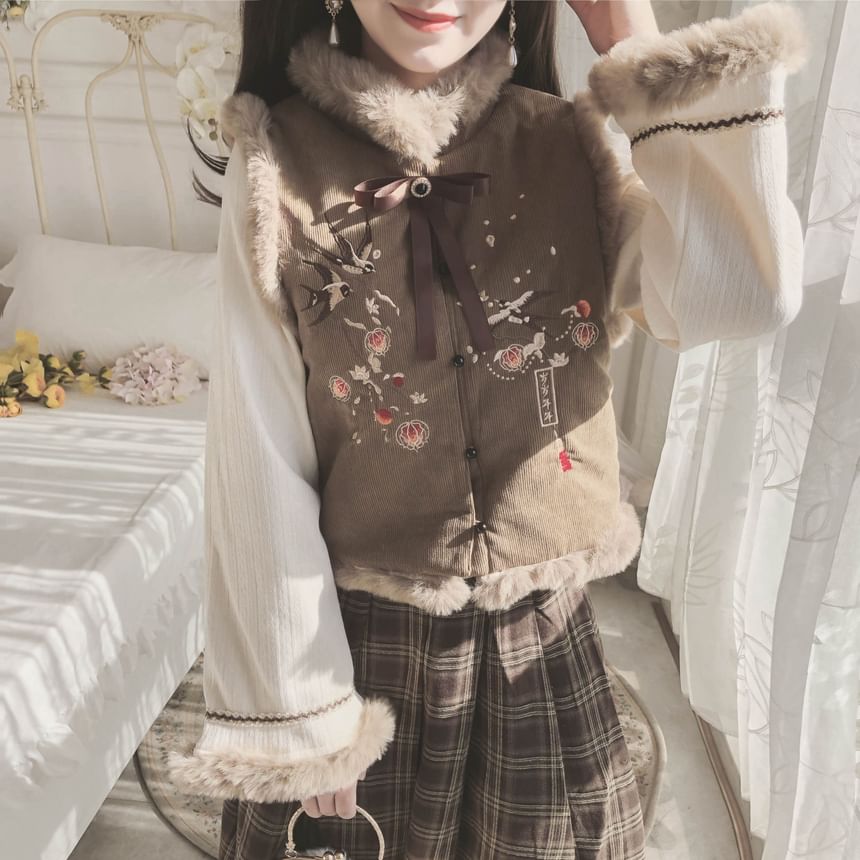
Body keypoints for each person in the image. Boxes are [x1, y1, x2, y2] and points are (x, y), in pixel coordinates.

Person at [168, 1, 807, 858]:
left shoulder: (568, 144)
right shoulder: (274, 161)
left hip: (543, 645)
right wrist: (305, 712)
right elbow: (257, 455)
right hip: (362, 654)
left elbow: (740, 295)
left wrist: (636, 43)